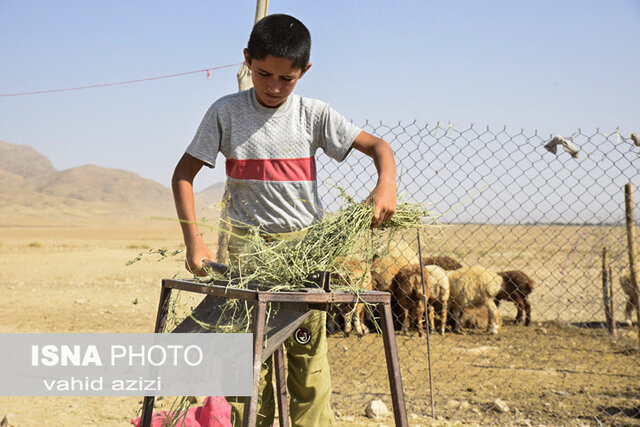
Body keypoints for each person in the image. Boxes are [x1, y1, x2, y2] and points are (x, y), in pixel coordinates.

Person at [171, 13, 397, 427]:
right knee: (246, 362)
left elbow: (379, 147)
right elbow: (182, 175)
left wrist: (386, 185)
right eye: (263, 74)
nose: (273, 87)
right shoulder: (225, 113)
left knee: (306, 359)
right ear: (247, 61)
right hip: (247, 256)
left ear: (304, 71)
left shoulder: (313, 115)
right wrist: (195, 244)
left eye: (286, 79)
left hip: (305, 260)